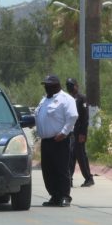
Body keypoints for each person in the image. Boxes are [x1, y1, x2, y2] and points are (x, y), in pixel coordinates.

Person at [35, 75, 78, 207]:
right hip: (46, 141)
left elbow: (72, 116)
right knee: (48, 170)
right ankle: (55, 195)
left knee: (61, 169)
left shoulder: (66, 99)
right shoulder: (44, 100)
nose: (46, 87)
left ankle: (65, 196)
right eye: (45, 85)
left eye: (48, 85)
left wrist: (64, 133)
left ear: (56, 86)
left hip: (59, 140)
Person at [66, 78, 94, 187]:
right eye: (68, 85)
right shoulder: (68, 99)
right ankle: (69, 179)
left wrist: (83, 133)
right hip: (71, 132)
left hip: (79, 132)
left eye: (71, 85)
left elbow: (85, 117)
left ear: (76, 86)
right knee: (71, 155)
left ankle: (88, 178)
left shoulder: (82, 99)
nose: (70, 87)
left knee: (80, 155)